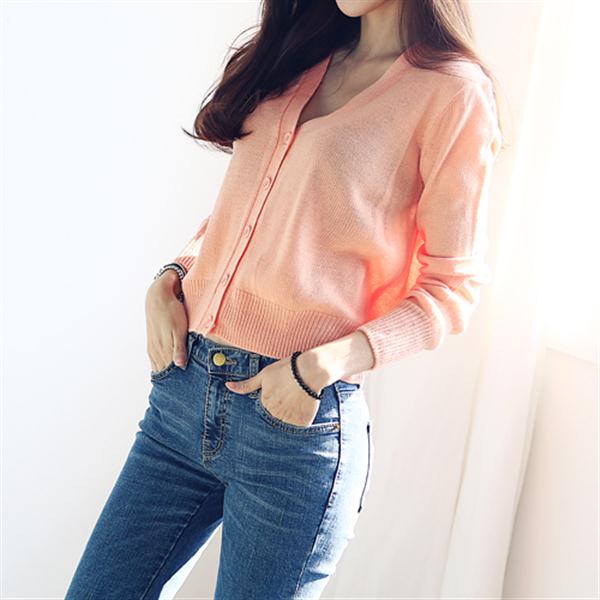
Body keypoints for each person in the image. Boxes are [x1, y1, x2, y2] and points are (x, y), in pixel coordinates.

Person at [64, 0, 503, 598]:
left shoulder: (454, 94)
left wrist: (320, 366)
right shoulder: (300, 54)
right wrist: (171, 278)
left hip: (293, 427)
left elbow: (452, 287)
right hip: (181, 400)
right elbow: (242, 214)